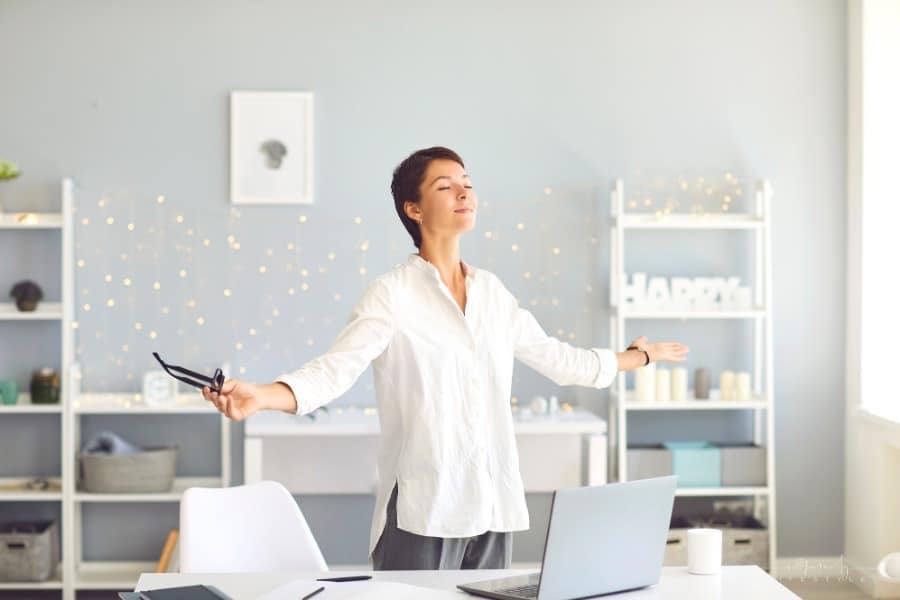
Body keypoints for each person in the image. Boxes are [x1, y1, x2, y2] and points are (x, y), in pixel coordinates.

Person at [201, 146, 689, 570]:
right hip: (423, 506)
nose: (464, 193)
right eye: (445, 185)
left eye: (467, 183)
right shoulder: (391, 294)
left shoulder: (493, 294)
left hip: (492, 505)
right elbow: (336, 371)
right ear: (413, 208)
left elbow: (563, 362)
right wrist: (261, 396)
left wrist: (637, 357)